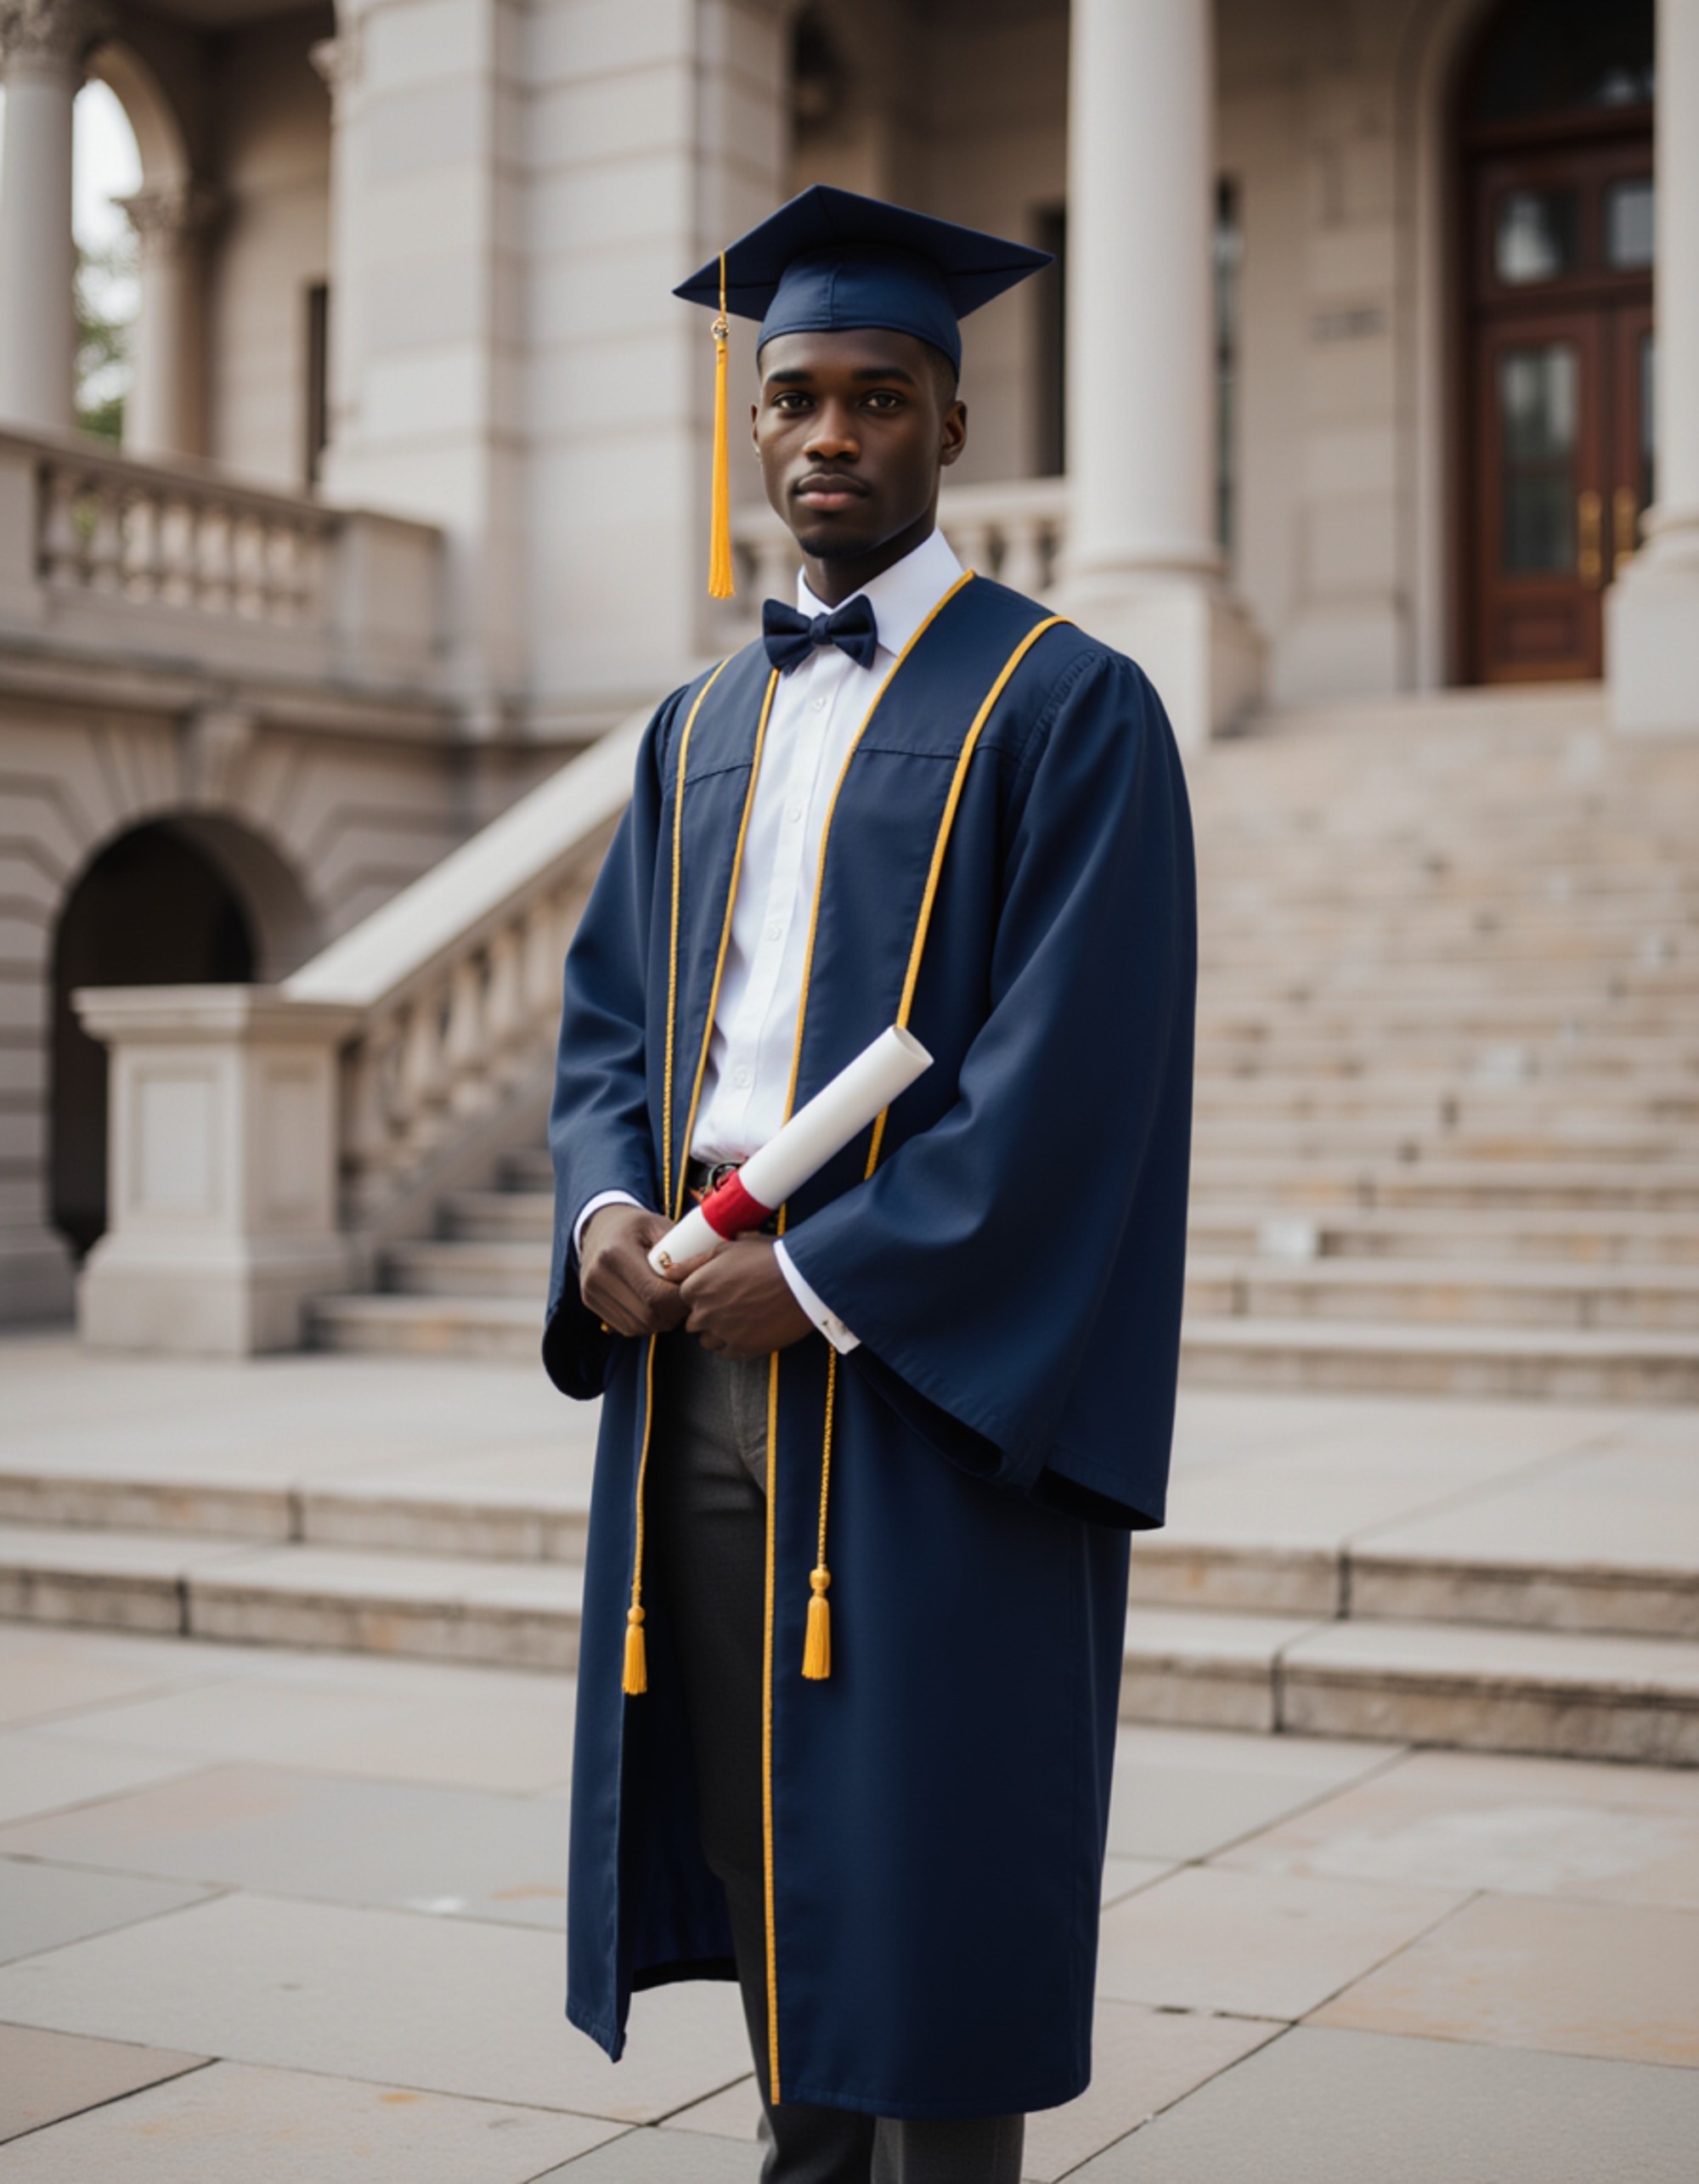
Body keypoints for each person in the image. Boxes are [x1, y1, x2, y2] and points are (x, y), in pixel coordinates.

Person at [544, 183, 1196, 2184]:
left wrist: (831, 1278)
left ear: (954, 426)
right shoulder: (700, 724)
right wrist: (606, 1220)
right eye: (795, 398)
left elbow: (1077, 1085)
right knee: (765, 1816)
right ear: (754, 427)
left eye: (879, 399)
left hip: (926, 1372)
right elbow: (609, 1035)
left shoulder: (1066, 703)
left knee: (937, 1822)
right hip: (692, 1357)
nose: (829, 435)